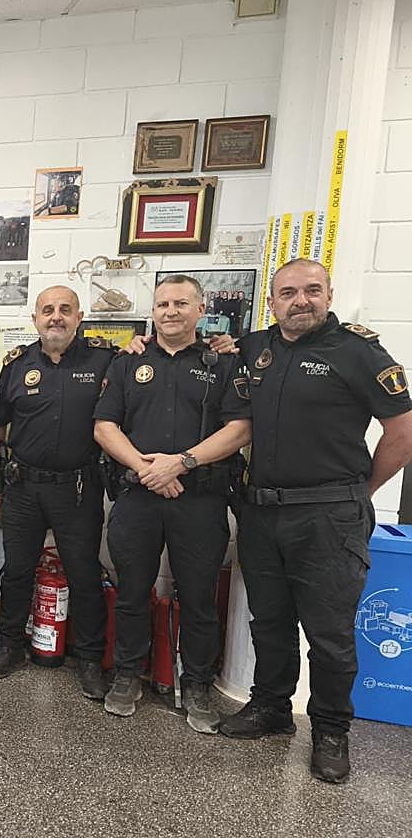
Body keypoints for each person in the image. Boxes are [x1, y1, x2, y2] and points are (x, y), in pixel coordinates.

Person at [219, 258, 412, 783]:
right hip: (261, 510)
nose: (299, 301)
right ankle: (272, 708)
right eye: (287, 293)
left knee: (328, 635)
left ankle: (330, 730)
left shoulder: (358, 352)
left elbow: (402, 432)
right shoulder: (255, 348)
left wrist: (359, 491)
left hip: (330, 517)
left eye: (311, 290)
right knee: (270, 620)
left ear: (329, 293)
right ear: (272, 301)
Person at [93, 274, 251, 732]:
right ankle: (127, 675)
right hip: (138, 496)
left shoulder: (223, 363)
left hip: (199, 499)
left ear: (201, 310)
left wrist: (180, 464)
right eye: (162, 303)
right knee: (131, 593)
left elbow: (240, 430)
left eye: (182, 303)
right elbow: (105, 427)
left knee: (199, 598)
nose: (171, 311)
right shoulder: (128, 362)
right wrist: (149, 470)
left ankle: (197, 685)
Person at [0, 286, 116, 698]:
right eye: (47, 311)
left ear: (79, 316)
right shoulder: (17, 366)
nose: (55, 317)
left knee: (84, 573)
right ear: (35, 318)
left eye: (64, 310)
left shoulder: (105, 361)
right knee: (18, 569)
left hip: (78, 488)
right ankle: (10, 646)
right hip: (23, 487)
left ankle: (90, 659)